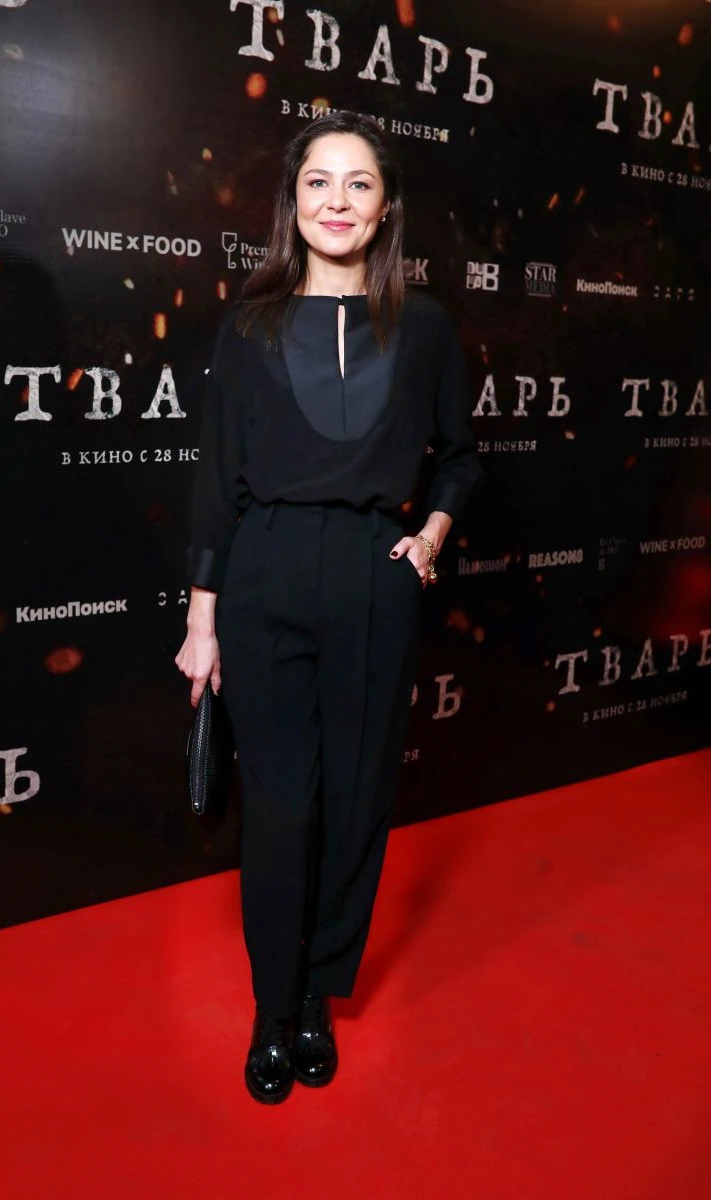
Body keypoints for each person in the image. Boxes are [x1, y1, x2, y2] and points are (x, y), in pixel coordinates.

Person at [175, 110, 484, 1105]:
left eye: (358, 184)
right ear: (293, 201)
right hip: (262, 573)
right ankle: (272, 1007)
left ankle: (318, 996)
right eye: (318, 182)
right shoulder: (250, 323)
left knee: (355, 800)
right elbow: (216, 482)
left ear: (385, 207)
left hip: (370, 574)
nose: (337, 201)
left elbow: (460, 458)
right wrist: (201, 621)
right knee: (279, 806)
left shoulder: (423, 325)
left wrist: (427, 540)